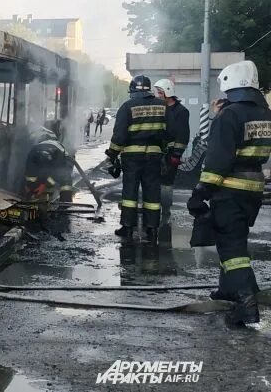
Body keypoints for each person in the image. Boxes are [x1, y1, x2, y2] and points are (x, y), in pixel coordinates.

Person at [187, 60, 271, 326]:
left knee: (232, 248)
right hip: (253, 188)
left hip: (230, 188)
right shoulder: (264, 114)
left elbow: (218, 159)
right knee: (234, 239)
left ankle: (246, 305)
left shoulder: (230, 115)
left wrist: (201, 191)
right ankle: (227, 290)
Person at [105, 75, 168, 243]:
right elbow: (168, 132)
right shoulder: (162, 106)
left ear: (132, 90)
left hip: (133, 157)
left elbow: (119, 135)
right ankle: (152, 229)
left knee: (130, 192)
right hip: (155, 155)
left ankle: (127, 227)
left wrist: (112, 154)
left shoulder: (127, 106)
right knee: (153, 192)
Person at [154, 79, 190, 225]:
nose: (157, 95)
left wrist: (176, 154)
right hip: (156, 152)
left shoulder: (181, 112)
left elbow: (183, 135)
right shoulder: (159, 108)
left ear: (168, 93)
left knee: (167, 183)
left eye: (160, 92)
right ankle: (154, 208)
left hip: (170, 154)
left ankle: (165, 210)